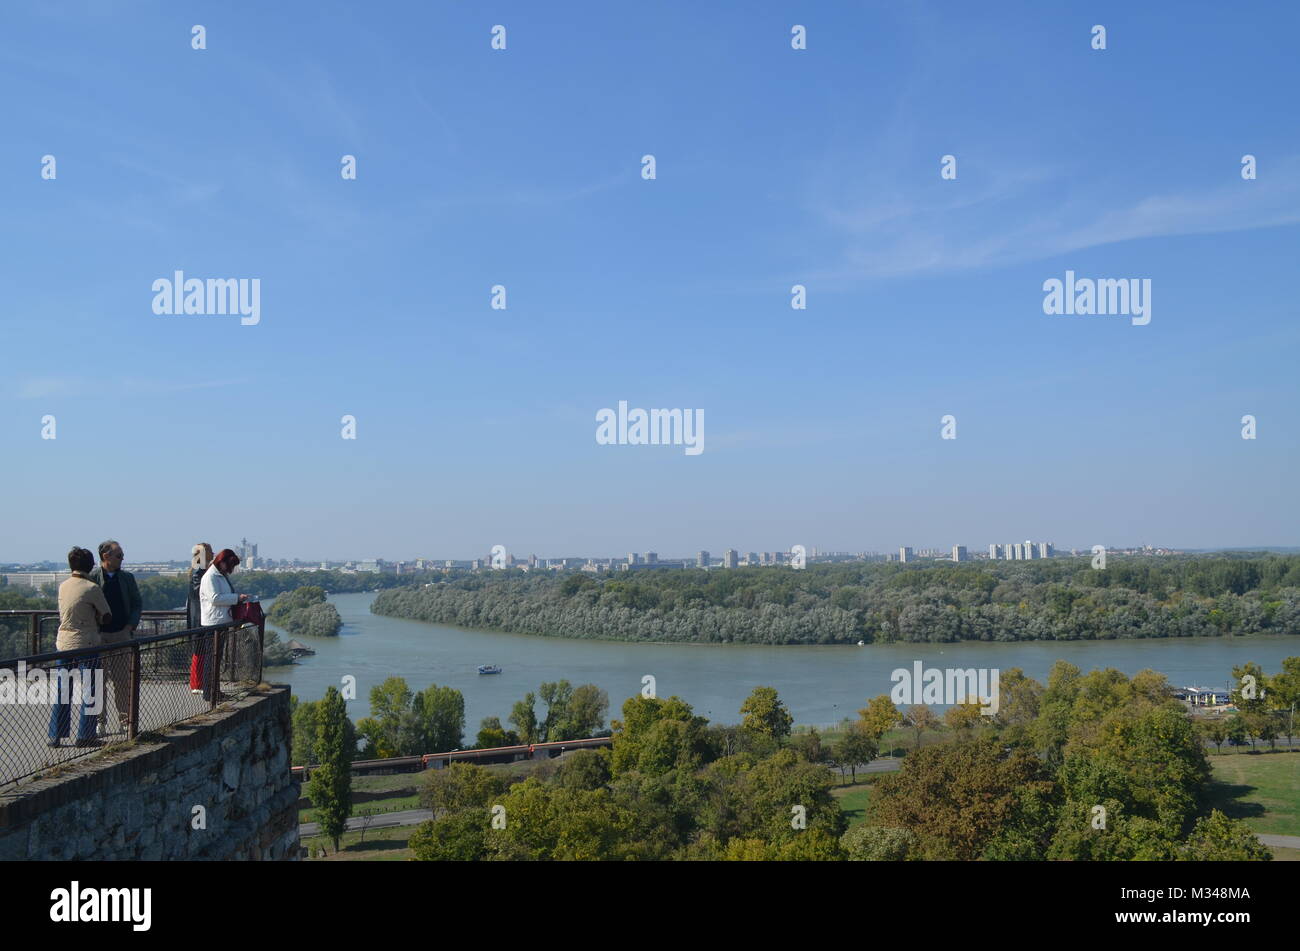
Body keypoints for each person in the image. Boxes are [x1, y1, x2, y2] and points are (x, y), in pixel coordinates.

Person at [49, 547, 111, 748]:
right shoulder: (91, 588)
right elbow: (106, 615)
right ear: (91, 565)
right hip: (87, 642)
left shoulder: (63, 586)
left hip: (64, 641)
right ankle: (85, 735)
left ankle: (55, 734)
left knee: (62, 688)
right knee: (91, 688)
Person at [89, 540, 141, 735]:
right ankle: (99, 721)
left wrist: (129, 626)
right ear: (106, 556)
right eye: (119, 555)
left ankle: (125, 720)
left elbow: (137, 603)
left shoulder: (127, 578)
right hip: (99, 634)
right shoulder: (93, 577)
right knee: (98, 680)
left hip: (121, 633)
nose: (122, 559)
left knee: (122, 680)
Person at [198, 549, 248, 701]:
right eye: (231, 565)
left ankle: (214, 691)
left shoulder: (220, 576)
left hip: (220, 622)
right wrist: (236, 598)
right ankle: (210, 693)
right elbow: (215, 598)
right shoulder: (210, 576)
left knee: (216, 659)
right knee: (211, 659)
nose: (231, 569)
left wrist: (235, 598)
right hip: (213, 624)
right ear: (222, 562)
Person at [186, 543, 213, 693]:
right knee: (200, 650)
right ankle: (197, 684)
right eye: (210, 551)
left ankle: (199, 683)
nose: (213, 553)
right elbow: (200, 592)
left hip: (199, 615)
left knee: (201, 650)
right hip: (200, 616)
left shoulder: (199, 570)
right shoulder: (199, 571)